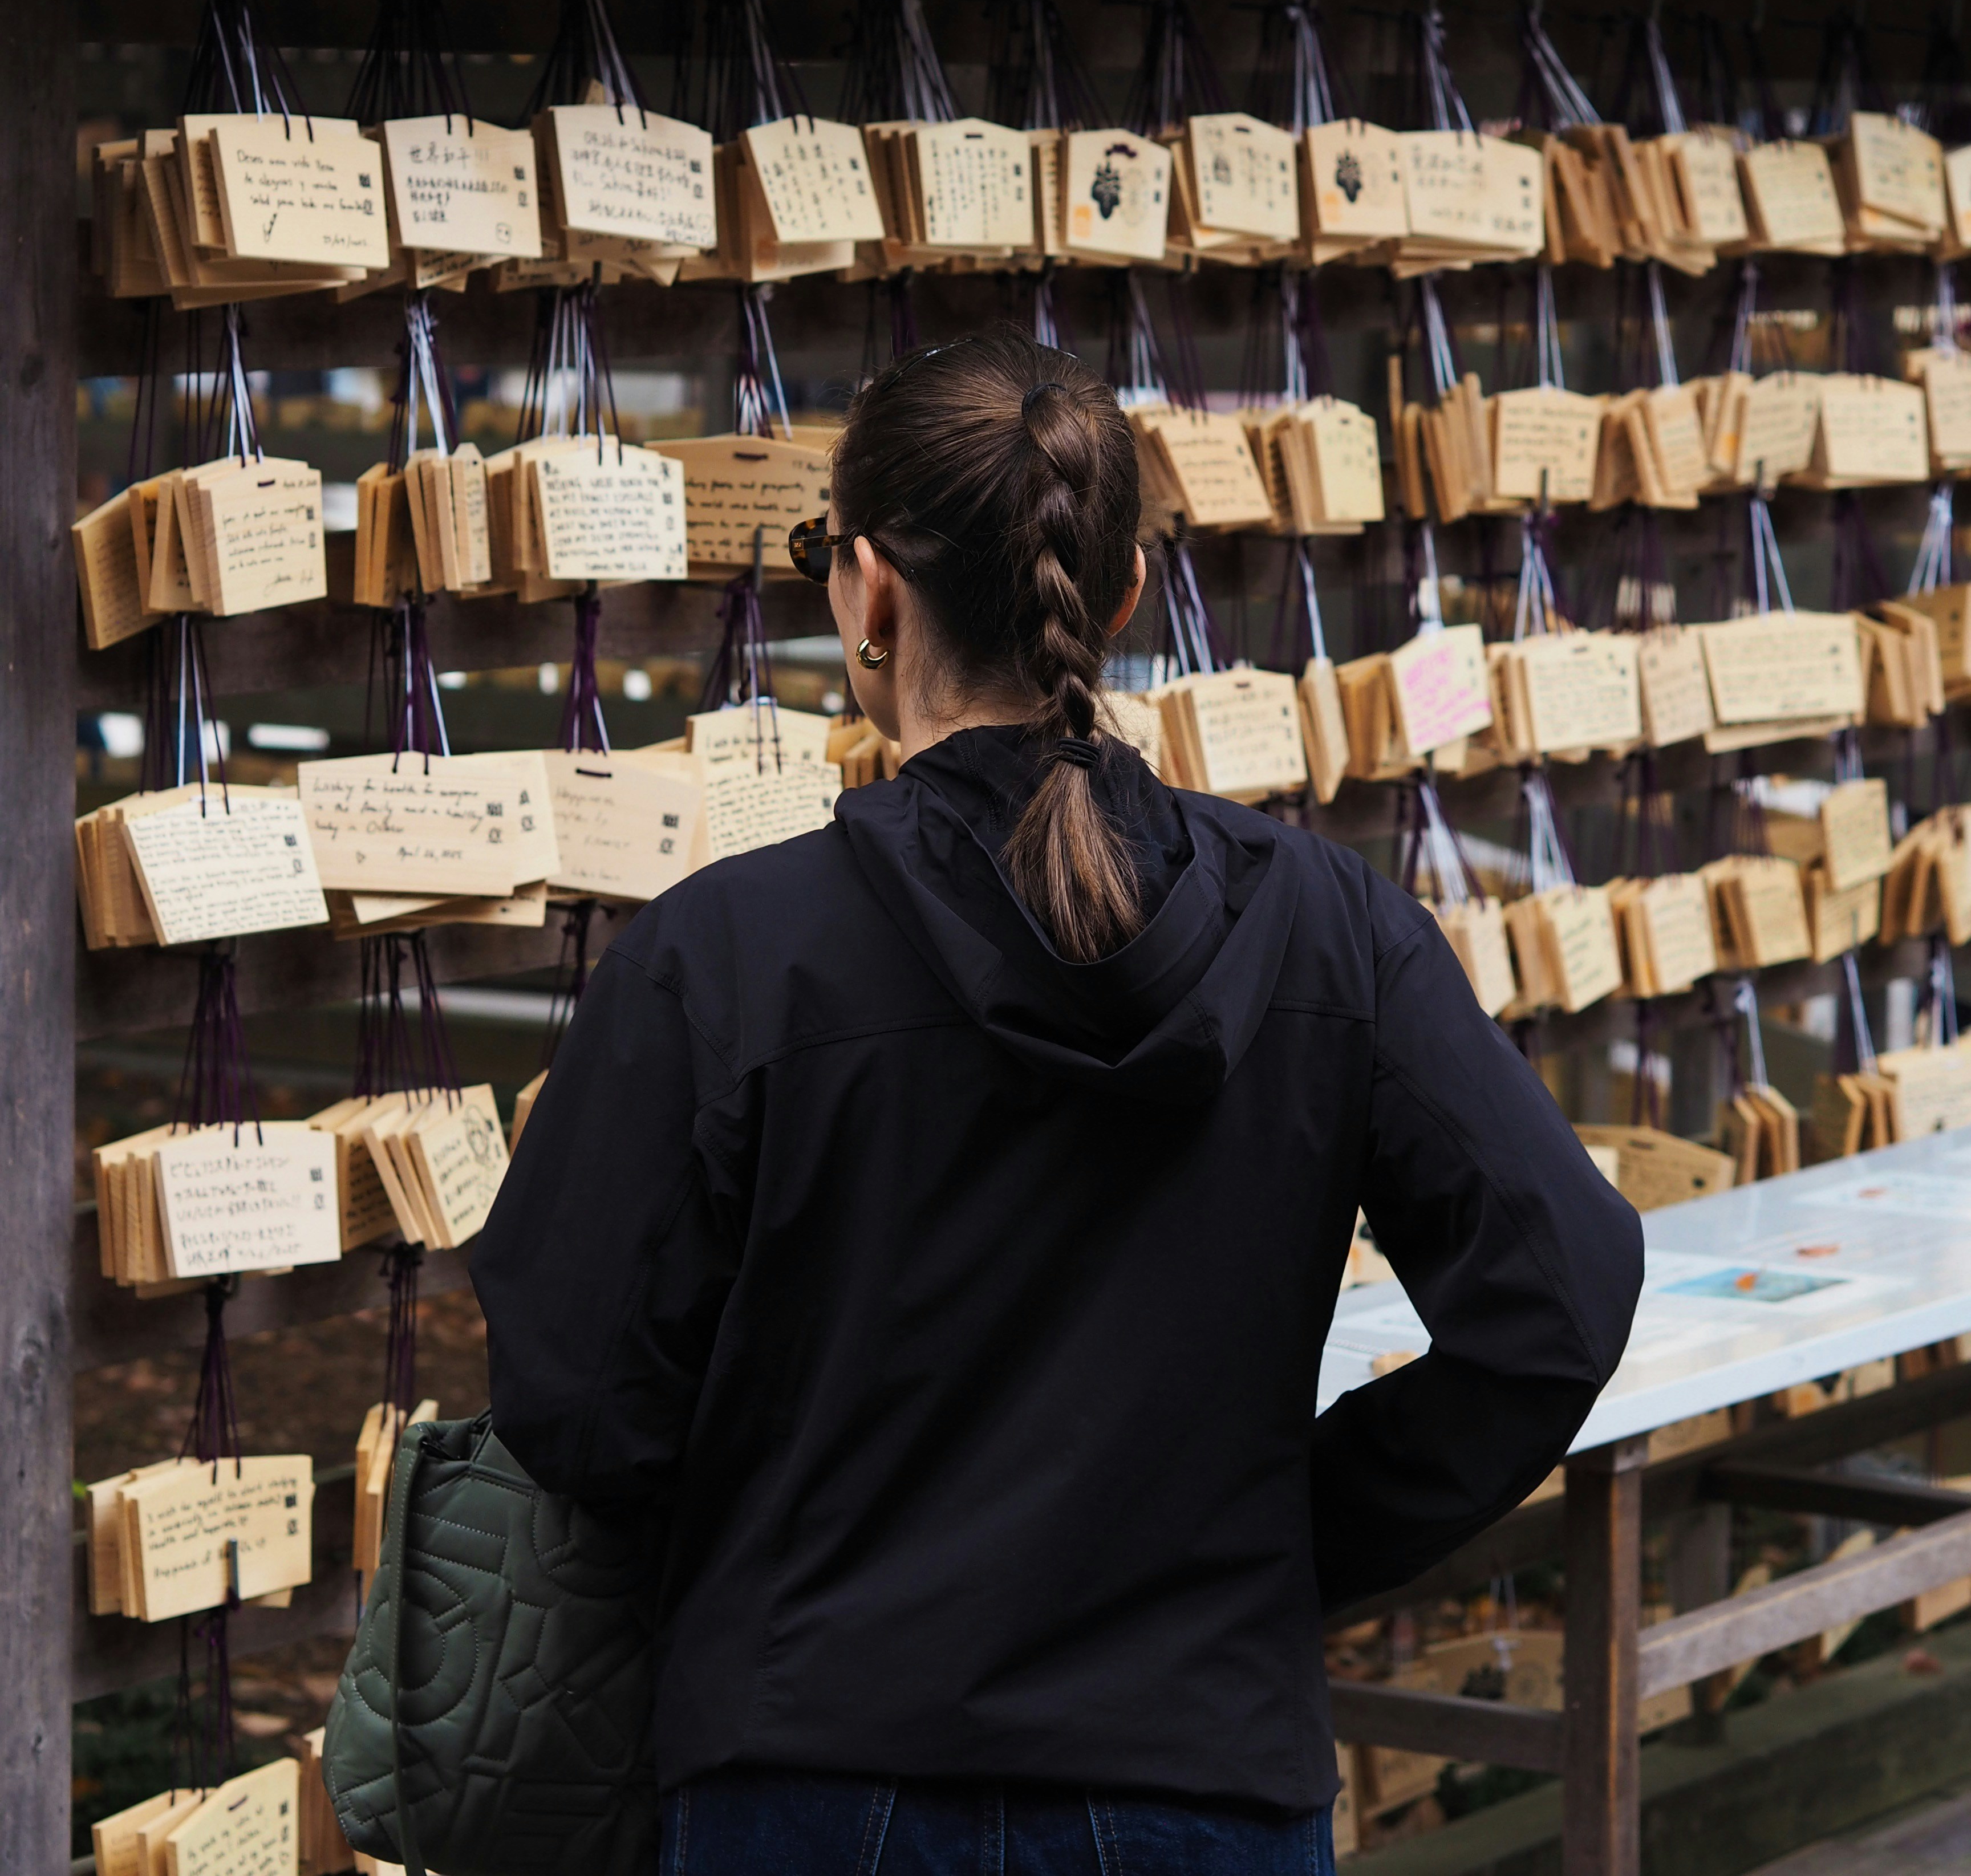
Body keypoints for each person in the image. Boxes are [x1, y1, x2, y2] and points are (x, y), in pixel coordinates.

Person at [473, 330, 1643, 1876]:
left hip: (808, 1770)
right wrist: (1286, 1538)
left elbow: (571, 1390)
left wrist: (783, 1534)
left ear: (871, 591)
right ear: (1129, 592)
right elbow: (1560, 1290)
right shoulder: (1329, 933)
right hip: (1204, 1767)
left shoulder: (724, 957)